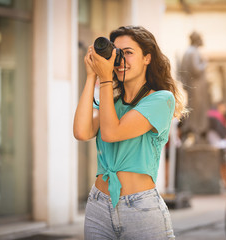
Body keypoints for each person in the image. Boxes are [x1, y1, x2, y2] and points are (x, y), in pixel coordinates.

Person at [73, 26, 185, 239]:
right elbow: (80, 131)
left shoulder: (161, 100)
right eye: (117, 53)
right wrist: (91, 77)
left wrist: (105, 80)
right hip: (98, 205)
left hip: (141, 209)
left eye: (129, 52)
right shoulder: (110, 102)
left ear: (147, 58)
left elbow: (111, 133)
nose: (121, 60)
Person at [180, 31, 210, 143]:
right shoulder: (193, 52)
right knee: (197, 111)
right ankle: (195, 132)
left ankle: (194, 132)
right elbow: (196, 69)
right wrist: (205, 63)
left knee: (195, 110)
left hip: (194, 87)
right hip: (196, 87)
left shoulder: (189, 52)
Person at [207, 101, 226, 189]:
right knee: (222, 165)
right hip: (218, 144)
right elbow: (221, 132)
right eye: (224, 107)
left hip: (219, 143)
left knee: (223, 164)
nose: (225, 109)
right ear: (219, 106)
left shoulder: (217, 116)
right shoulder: (214, 116)